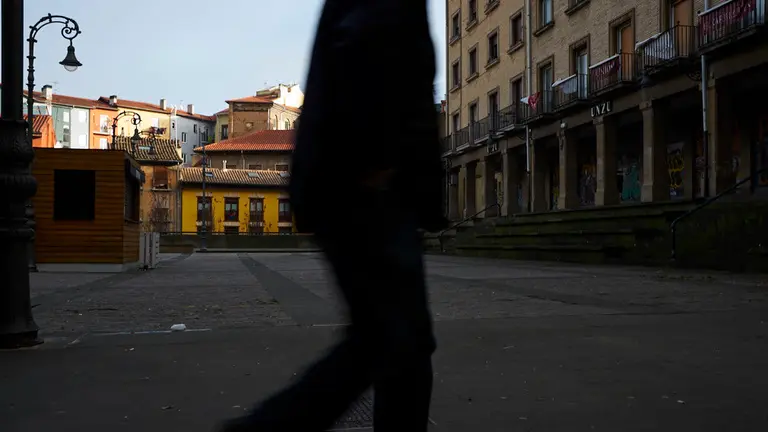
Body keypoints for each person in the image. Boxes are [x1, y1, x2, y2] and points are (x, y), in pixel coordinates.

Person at [218, 0, 447, 430]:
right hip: (367, 189)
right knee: (387, 342)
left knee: (402, 346)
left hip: (354, 184)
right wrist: (377, 165)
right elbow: (370, 45)